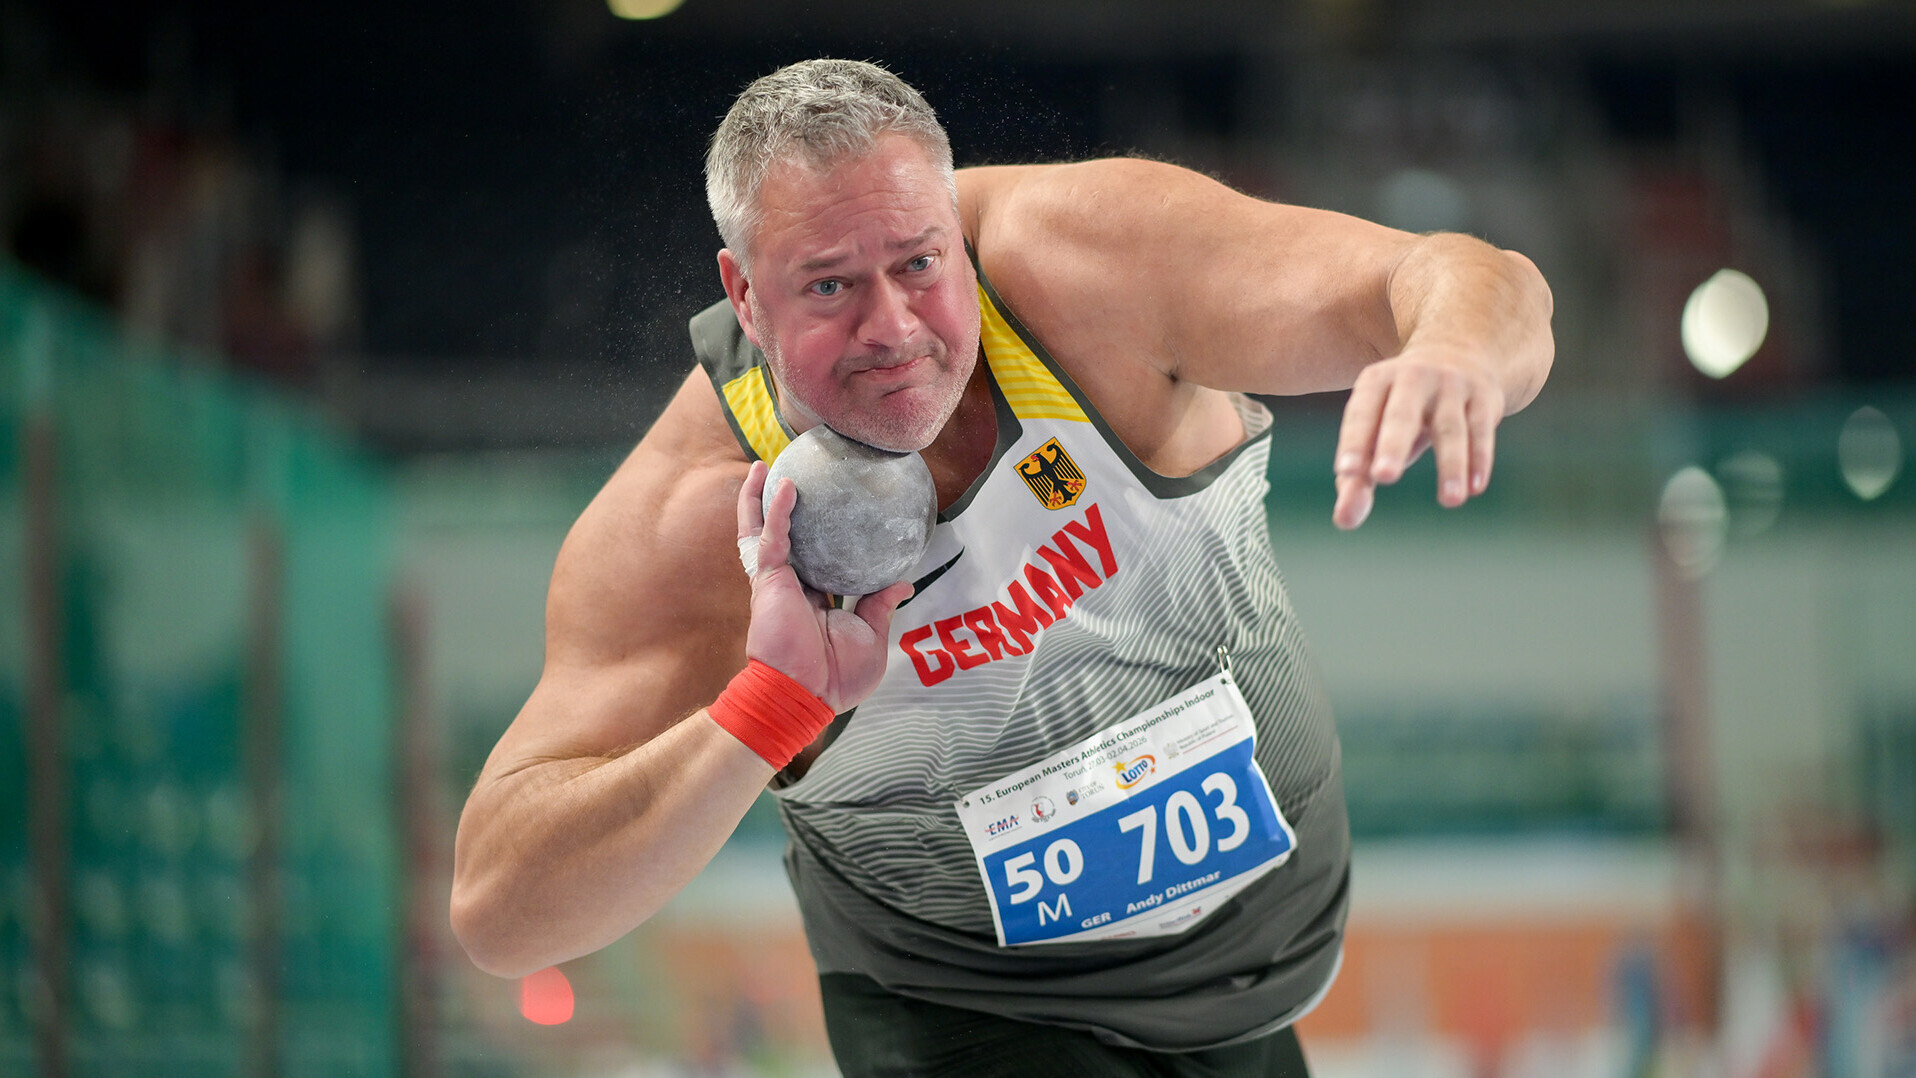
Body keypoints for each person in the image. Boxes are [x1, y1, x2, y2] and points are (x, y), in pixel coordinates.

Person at [451, 59, 1553, 1076]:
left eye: (919, 264)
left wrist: (1454, 349)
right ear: (743, 296)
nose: (893, 328)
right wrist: (766, 711)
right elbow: (500, 909)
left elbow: (1452, 276)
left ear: (954, 229)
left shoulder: (1088, 269)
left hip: (1260, 969)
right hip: (966, 1008)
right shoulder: (699, 521)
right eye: (828, 288)